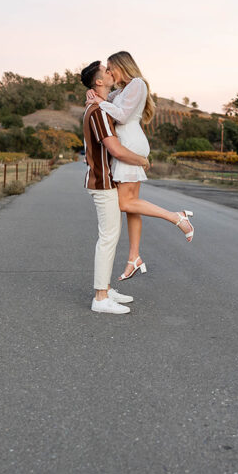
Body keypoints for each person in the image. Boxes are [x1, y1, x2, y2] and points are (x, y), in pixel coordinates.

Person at [87, 51, 195, 281]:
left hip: (130, 143)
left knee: (125, 202)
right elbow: (107, 98)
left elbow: (123, 116)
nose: (109, 71)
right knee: (132, 205)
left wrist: (100, 102)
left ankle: (177, 217)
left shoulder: (137, 84)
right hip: (129, 142)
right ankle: (134, 257)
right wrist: (96, 96)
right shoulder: (122, 90)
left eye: (110, 67)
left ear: (121, 65)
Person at [81, 60, 148, 314]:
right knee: (108, 238)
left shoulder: (100, 106)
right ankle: (100, 298)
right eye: (106, 72)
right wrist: (142, 160)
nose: (111, 73)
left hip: (105, 180)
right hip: (102, 181)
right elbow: (115, 149)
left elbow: (127, 92)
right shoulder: (97, 112)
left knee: (111, 236)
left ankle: (106, 289)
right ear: (99, 81)